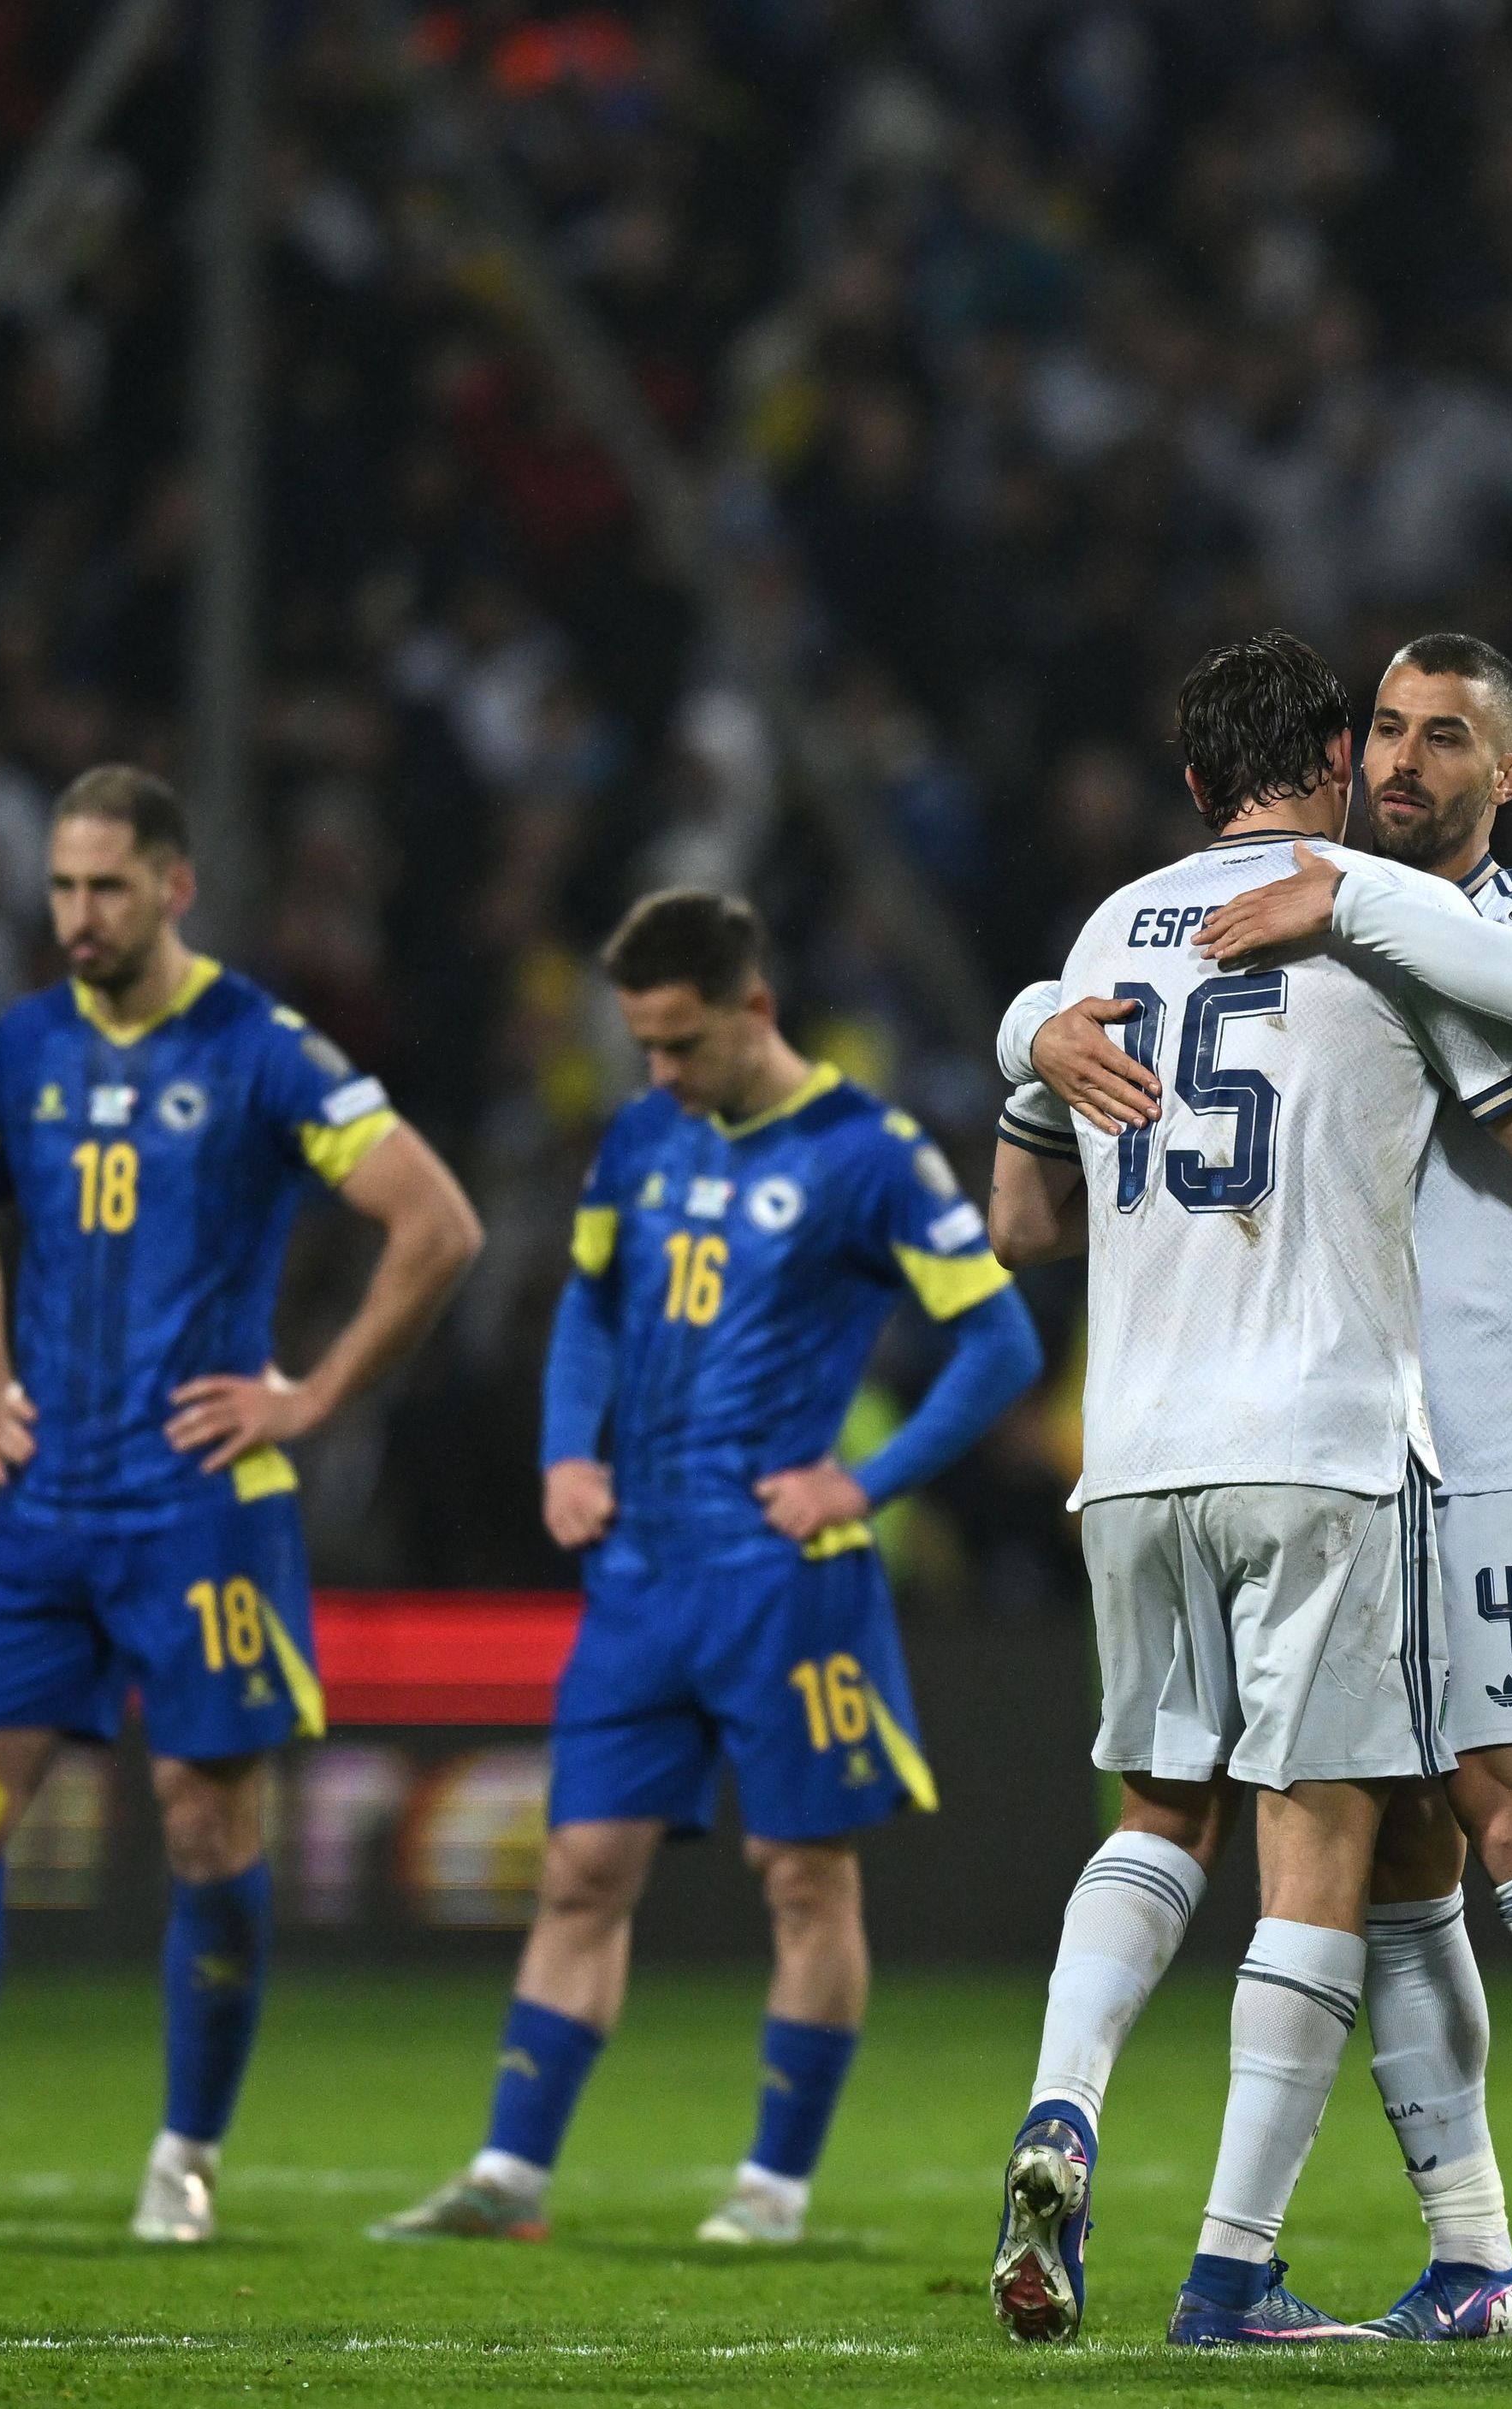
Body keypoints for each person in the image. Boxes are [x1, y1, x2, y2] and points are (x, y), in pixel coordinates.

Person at [975, 632, 1512, 2348]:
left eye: (1446, 741)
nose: (1411, 764)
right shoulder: (1332, 926)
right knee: (1393, 1848)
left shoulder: (1502, 926)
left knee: (1509, 1801)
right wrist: (1045, 1028)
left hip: (1487, 1437)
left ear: (1511, 772)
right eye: (1391, 735)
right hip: (1352, 1439)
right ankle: (1472, 2252)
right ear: (1342, 753)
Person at [0, 768, 484, 2240]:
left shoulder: (262, 1050)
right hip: (47, 1504)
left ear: (176, 887)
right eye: (59, 887)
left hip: (201, 1505)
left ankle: (185, 2161)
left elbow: (438, 1223)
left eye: (105, 886)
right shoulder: (19, 1047)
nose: (76, 915)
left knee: (205, 1825)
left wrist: (313, 1395)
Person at [371, 888, 1041, 2247]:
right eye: (643, 1049)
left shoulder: (870, 1153)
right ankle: (509, 2175)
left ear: (754, 1008)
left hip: (784, 1582)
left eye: (681, 1045)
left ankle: (774, 2190)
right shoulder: (640, 1138)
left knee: (802, 1877)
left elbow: (1001, 1347)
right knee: (581, 1866)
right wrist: (569, 1454)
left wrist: (863, 1480)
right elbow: (591, 1314)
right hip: (640, 1574)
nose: (660, 1074)